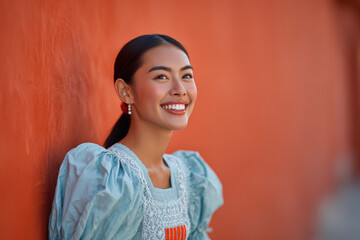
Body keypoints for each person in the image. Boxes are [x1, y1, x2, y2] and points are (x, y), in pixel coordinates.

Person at [48, 34, 223, 240]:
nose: (180, 90)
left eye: (186, 76)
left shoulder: (190, 176)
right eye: (161, 77)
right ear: (126, 92)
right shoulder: (109, 179)